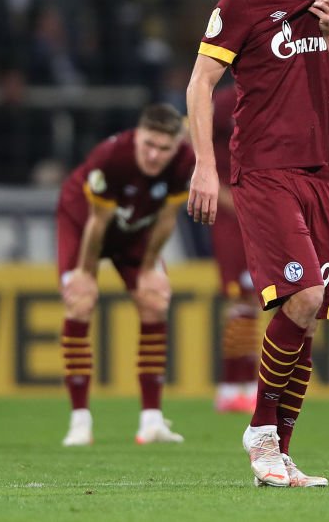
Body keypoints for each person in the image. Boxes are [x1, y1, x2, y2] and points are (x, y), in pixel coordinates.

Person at [186, 0, 329, 487]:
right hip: (263, 170)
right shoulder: (242, 2)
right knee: (306, 296)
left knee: (307, 318)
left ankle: (280, 457)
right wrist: (205, 168)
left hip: (320, 172)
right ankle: (261, 433)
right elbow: (199, 84)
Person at [58, 103, 194, 447]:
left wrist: (149, 268)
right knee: (80, 301)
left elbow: (166, 220)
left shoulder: (184, 161)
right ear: (137, 135)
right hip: (83, 222)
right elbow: (97, 222)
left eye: (164, 148)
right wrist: (87, 273)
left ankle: (151, 420)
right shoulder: (111, 155)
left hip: (137, 229)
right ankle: (79, 422)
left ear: (176, 146)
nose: (154, 155)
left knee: (154, 301)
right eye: (148, 144)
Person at [211, 84, 259, 413]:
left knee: (251, 299)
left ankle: (243, 384)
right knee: (238, 300)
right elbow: (193, 143)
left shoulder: (268, 93)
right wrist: (223, 194)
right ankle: (231, 386)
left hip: (257, 210)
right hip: (231, 215)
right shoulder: (224, 101)